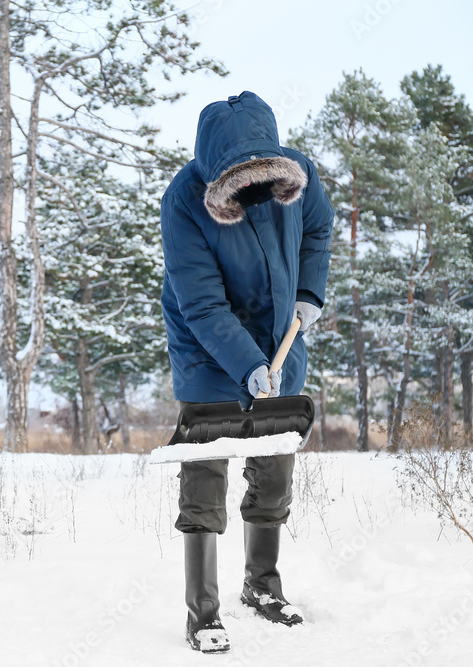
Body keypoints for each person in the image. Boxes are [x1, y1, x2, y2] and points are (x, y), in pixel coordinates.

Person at [159, 91, 334, 654]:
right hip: (207, 350)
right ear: (218, 177)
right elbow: (203, 305)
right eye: (243, 181)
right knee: (205, 472)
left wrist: (309, 293)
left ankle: (261, 587)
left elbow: (317, 230)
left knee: (275, 468)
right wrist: (247, 364)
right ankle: (202, 612)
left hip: (282, 338)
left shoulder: (299, 175)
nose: (258, 191)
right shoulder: (184, 200)